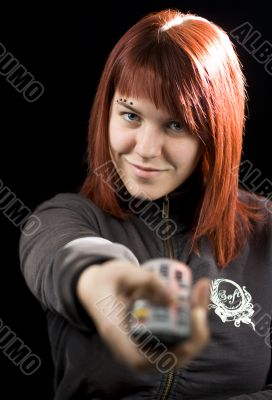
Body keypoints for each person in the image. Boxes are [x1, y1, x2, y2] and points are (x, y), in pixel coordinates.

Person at [19, 8, 272, 400]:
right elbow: (66, 261)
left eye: (176, 125)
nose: (146, 149)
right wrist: (117, 288)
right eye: (131, 115)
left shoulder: (267, 232)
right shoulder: (63, 218)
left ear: (214, 133)